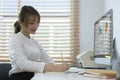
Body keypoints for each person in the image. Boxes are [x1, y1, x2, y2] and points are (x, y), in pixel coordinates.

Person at [8, 5, 69, 80]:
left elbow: (48, 60)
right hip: (19, 76)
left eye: (37, 22)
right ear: (21, 22)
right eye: (31, 23)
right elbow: (23, 64)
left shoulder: (34, 42)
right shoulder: (15, 39)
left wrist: (59, 67)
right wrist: (53, 67)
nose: (36, 26)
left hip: (34, 75)